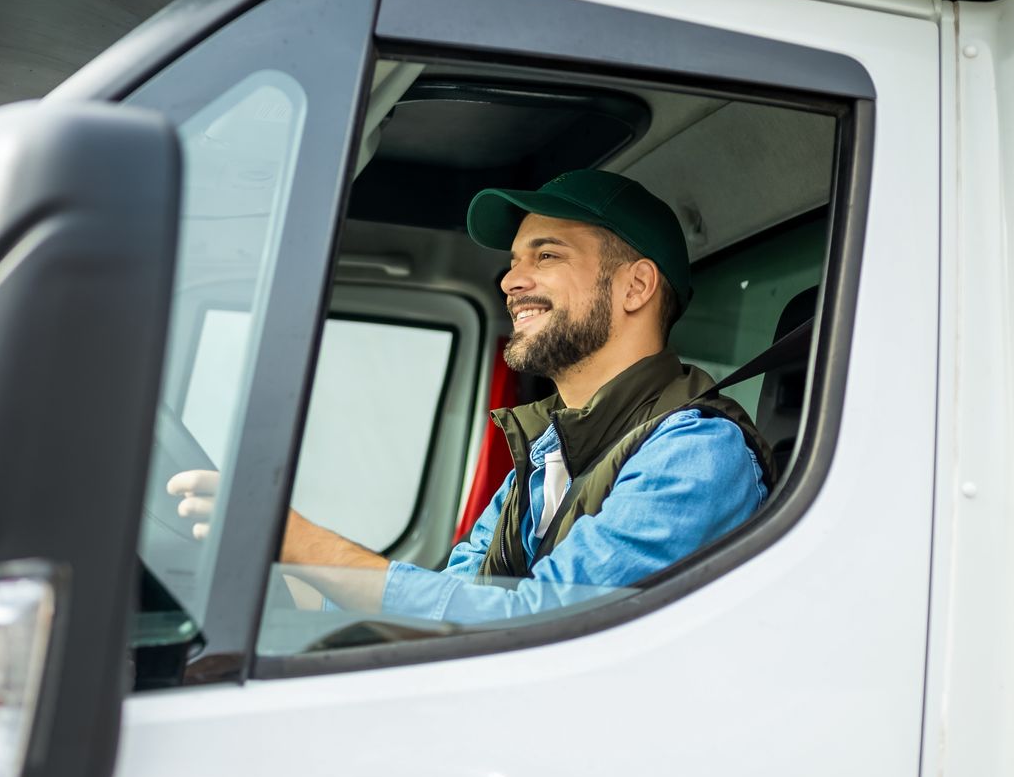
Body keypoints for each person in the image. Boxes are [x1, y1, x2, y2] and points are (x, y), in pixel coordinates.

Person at [169, 169, 773, 623]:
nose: (511, 281)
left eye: (548, 255)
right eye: (513, 262)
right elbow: (453, 606)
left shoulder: (698, 452)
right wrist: (291, 580)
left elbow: (542, 621)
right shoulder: (547, 456)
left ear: (635, 286)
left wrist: (304, 542)